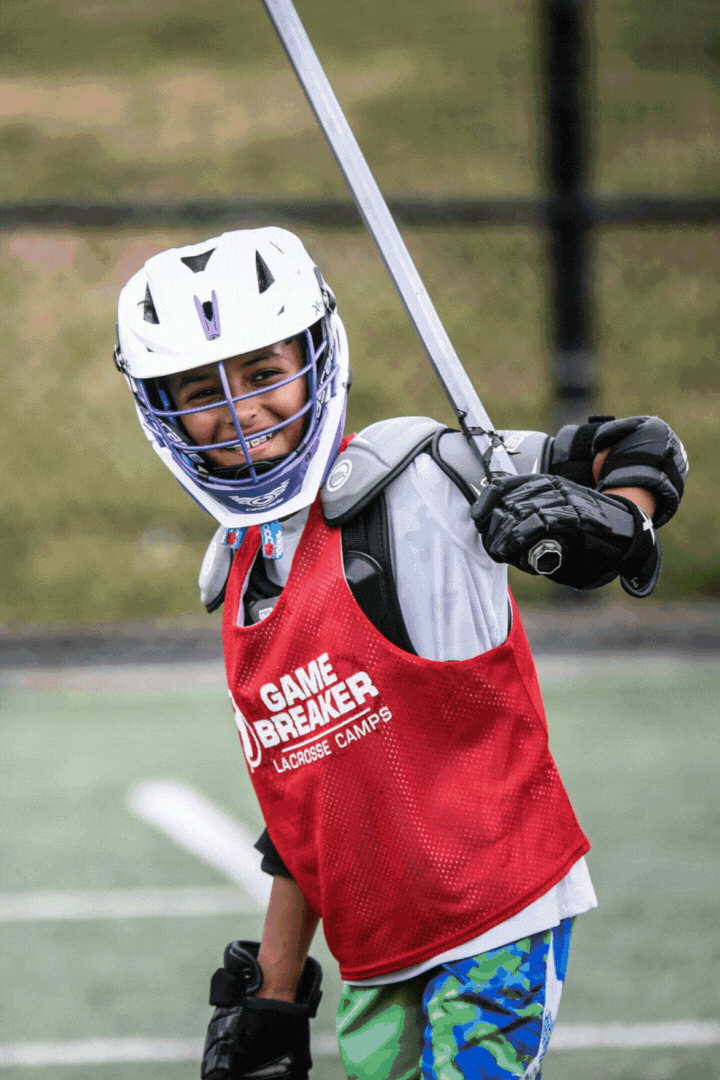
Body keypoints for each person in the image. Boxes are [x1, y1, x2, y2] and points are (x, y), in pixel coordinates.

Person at [116, 227, 687, 1080]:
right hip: (377, 951)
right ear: (161, 410)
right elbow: (306, 806)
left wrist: (619, 518)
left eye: (265, 374)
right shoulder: (236, 575)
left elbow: (640, 445)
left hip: (496, 909)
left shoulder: (420, 478)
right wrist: (274, 992)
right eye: (202, 390)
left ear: (317, 358)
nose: (239, 409)